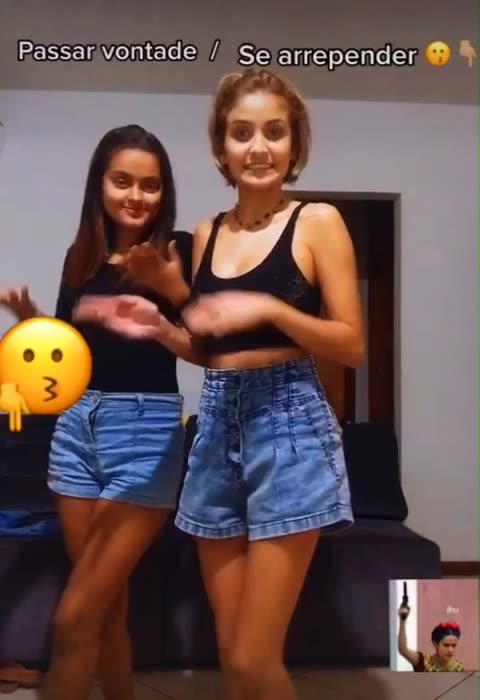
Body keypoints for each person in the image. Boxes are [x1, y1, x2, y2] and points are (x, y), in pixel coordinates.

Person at [76, 69, 364, 700]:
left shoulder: (317, 221)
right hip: (214, 430)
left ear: (295, 145)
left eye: (274, 132)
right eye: (242, 133)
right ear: (220, 149)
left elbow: (351, 343)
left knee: (257, 659)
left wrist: (270, 308)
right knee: (232, 657)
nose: (258, 147)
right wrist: (161, 327)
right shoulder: (207, 235)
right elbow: (213, 351)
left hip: (290, 427)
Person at [0, 124, 193, 700]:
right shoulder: (79, 257)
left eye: (150, 185)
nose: (136, 196)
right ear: (100, 185)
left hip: (145, 430)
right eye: (122, 181)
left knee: (73, 617)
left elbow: (210, 339)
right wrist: (32, 320)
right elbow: (73, 351)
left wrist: (168, 298)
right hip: (76, 430)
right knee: (107, 609)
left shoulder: (178, 252)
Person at [397, 607, 465, 672]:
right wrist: (402, 621)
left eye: (454, 645)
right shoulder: (423, 661)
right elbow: (403, 650)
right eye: (446, 645)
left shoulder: (458, 667)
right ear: (435, 644)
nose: (450, 650)